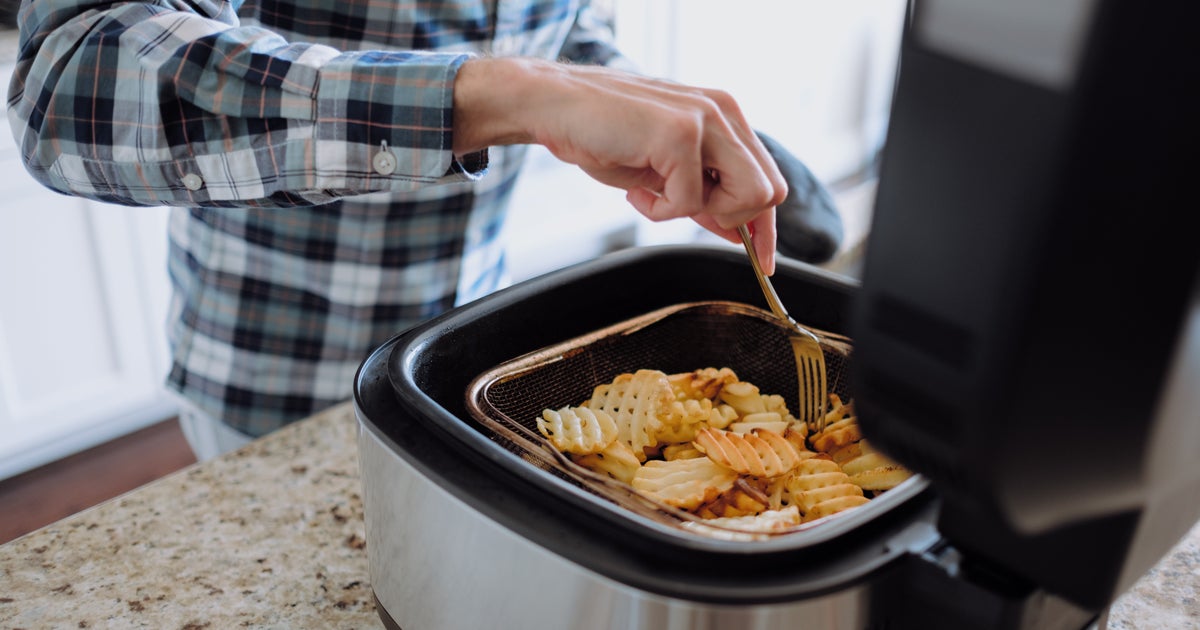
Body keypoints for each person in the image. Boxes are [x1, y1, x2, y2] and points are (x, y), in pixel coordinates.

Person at [7, 0, 795, 460]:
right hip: (279, 384)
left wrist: (634, 102)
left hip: (473, 355)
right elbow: (69, 87)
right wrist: (509, 96)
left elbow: (562, 23)